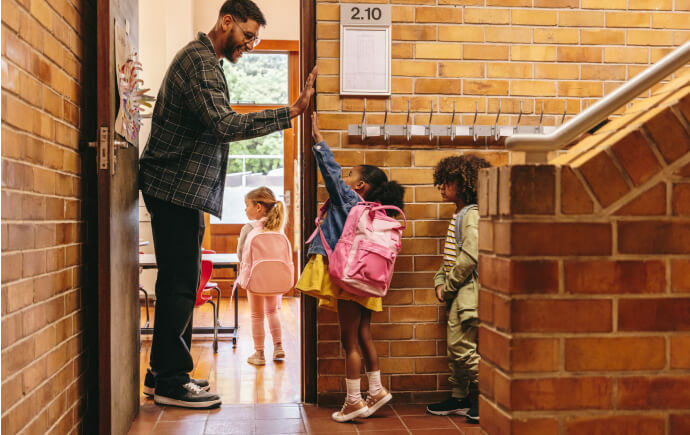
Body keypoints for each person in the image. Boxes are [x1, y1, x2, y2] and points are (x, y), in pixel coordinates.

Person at [138, 0, 317, 409]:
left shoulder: (207, 61)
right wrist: (290, 112)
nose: (250, 45)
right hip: (174, 188)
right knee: (181, 284)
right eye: (248, 35)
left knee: (181, 282)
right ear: (227, 22)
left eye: (255, 39)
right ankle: (169, 381)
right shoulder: (200, 62)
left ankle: (163, 373)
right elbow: (224, 124)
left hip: (182, 190)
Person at [296, 113, 405, 423]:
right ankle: (376, 390)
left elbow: (330, 173)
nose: (343, 180)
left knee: (349, 340)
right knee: (364, 333)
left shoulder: (351, 200)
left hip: (351, 278)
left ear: (360, 185)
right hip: (370, 280)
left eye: (350, 176)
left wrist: (318, 139)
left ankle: (354, 402)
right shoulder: (377, 212)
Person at [425, 155, 491, 424]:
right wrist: (440, 281)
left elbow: (471, 255)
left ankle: (492, 396)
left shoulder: (471, 214)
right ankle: (461, 397)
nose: (441, 187)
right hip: (457, 289)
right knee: (456, 350)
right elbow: (450, 258)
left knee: (460, 347)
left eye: (447, 182)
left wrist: (449, 286)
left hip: (466, 291)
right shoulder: (461, 214)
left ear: (464, 184)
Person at [237, 187, 287, 366]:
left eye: (247, 205)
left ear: (258, 207)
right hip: (274, 278)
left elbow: (240, 254)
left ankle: (259, 353)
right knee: (272, 311)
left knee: (257, 315)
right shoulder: (277, 227)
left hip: (255, 279)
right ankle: (278, 346)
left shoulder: (249, 228)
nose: (245, 209)